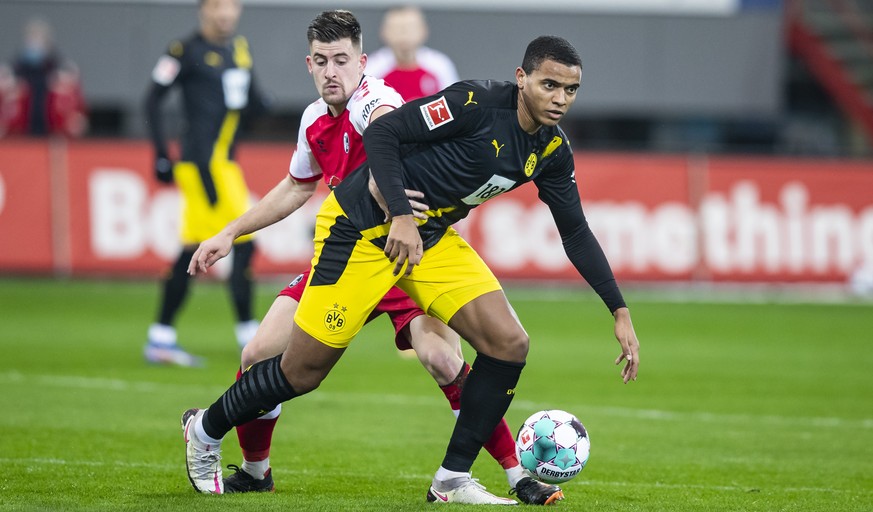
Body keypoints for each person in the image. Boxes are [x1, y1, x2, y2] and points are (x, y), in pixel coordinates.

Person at [182, 34, 640, 505]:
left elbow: (577, 233)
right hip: (358, 231)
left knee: (508, 342)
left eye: (570, 90)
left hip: (429, 239)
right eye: (550, 85)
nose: (560, 99)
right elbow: (383, 134)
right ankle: (205, 427)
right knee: (301, 372)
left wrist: (619, 310)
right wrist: (400, 212)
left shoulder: (551, 149)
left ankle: (451, 480)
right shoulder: (474, 102)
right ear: (522, 79)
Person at [143, 0, 267, 366]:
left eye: (231, 6)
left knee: (195, 249)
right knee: (243, 241)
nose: (225, 13)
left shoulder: (238, 50)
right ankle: (251, 335)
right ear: (203, 10)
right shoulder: (185, 51)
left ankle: (161, 337)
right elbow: (152, 99)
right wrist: (161, 153)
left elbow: (250, 103)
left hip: (225, 164)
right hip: (202, 165)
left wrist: (262, 104)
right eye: (217, 6)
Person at [9, 17, 87, 137]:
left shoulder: (58, 68)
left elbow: (78, 108)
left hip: (51, 132)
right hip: (22, 132)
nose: (34, 44)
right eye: (31, 38)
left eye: (38, 39)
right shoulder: (15, 70)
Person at [365, 5, 458, 101]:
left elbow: (454, 104)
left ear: (423, 30)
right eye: (396, 28)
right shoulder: (372, 69)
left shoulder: (440, 65)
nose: (404, 34)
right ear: (383, 32)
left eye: (410, 28)